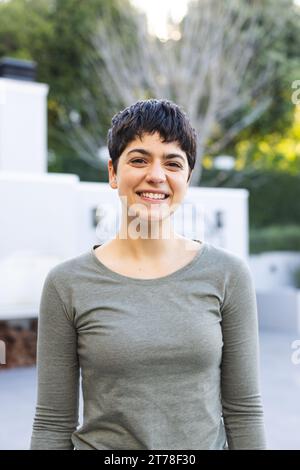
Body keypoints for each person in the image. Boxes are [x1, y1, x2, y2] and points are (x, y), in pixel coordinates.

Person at [30, 99, 267, 450]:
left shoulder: (228, 275)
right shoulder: (66, 283)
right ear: (113, 173)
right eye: (139, 160)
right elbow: (52, 424)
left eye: (173, 163)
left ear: (187, 177)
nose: (156, 175)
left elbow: (243, 412)